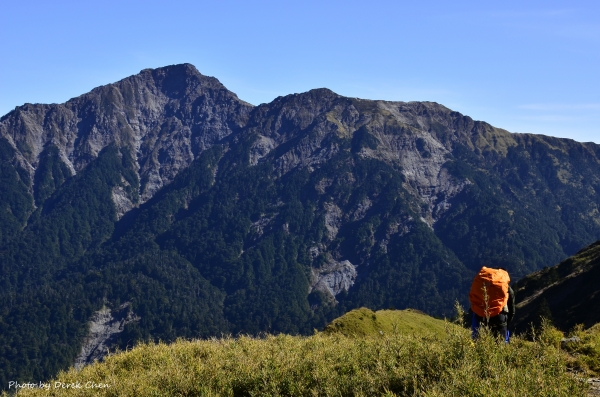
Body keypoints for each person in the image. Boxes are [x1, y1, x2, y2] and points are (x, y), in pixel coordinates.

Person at [469, 266, 516, 342]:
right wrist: (506, 321)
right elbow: (512, 310)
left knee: (478, 342)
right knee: (500, 345)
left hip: (480, 316)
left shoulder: (484, 284)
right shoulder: (506, 288)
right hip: (500, 318)